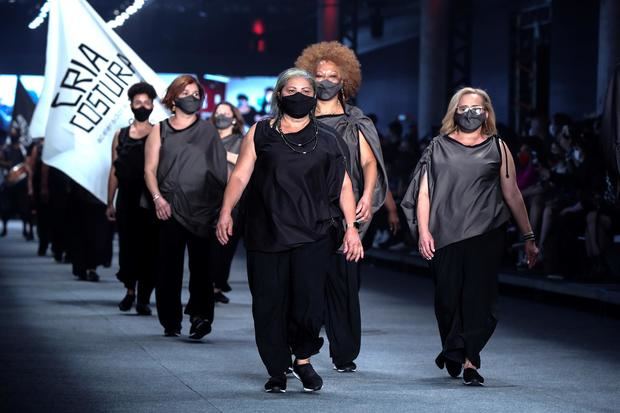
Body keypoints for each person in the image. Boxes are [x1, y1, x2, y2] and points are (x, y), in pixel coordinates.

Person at [216, 68, 363, 393]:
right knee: (268, 303)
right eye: (291, 89)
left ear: (313, 98)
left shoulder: (328, 138)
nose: (299, 95)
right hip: (266, 231)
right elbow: (240, 176)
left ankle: (303, 358)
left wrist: (352, 228)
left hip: (314, 233)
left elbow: (344, 185)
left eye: (305, 91)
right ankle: (276, 368)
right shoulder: (260, 133)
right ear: (279, 94)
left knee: (308, 303)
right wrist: (226, 210)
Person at [402, 87, 539, 386]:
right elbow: (423, 192)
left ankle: (470, 360)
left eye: (476, 108)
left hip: (485, 232)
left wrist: (528, 236)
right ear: (454, 111)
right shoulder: (437, 146)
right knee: (447, 298)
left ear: (487, 112)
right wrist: (423, 230)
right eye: (464, 108)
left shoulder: (498, 147)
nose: (470, 113)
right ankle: (453, 348)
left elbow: (512, 193)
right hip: (443, 234)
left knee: (478, 297)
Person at [295, 41, 388, 373]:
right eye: (319, 75)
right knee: (306, 280)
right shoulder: (299, 118)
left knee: (344, 279)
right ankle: (302, 347)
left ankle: (344, 351)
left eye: (332, 75)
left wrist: (367, 196)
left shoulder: (354, 121)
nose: (325, 80)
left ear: (345, 79)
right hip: (306, 208)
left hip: (346, 209)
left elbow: (369, 163)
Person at [144, 75, 227, 339]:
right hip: (168, 206)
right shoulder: (160, 129)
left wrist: (221, 208)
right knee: (168, 267)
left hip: (204, 209)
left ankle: (201, 317)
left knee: (202, 268)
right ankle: (171, 320)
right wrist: (158, 198)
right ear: (173, 97)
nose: (191, 98)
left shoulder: (208, 131)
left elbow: (219, 171)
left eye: (195, 94)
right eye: (186, 93)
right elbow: (149, 169)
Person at [106, 82, 158, 315]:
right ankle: (129, 291)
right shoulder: (121, 135)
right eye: (138, 103)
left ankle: (144, 297)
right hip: (126, 198)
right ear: (131, 105)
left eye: (147, 103)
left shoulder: (159, 133)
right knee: (127, 247)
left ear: (153, 105)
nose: (142, 106)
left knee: (149, 248)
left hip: (150, 199)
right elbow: (114, 169)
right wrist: (110, 200)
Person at [207, 102, 245, 304]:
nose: (221, 115)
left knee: (225, 245)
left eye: (226, 112)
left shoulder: (242, 141)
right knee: (209, 245)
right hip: (206, 197)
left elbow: (246, 164)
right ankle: (211, 285)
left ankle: (218, 284)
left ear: (233, 118)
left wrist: (222, 155)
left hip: (233, 201)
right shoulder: (207, 139)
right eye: (218, 112)